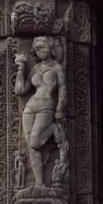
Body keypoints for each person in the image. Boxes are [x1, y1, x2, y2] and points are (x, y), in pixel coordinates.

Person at [14, 36, 67, 187]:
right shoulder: (35, 69)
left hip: (46, 104)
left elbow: (63, 88)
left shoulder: (57, 67)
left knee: (35, 142)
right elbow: (20, 89)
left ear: (50, 47)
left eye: (42, 47)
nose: (40, 51)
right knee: (31, 147)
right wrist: (21, 67)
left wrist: (60, 107)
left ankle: (53, 128)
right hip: (31, 106)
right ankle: (39, 182)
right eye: (37, 49)